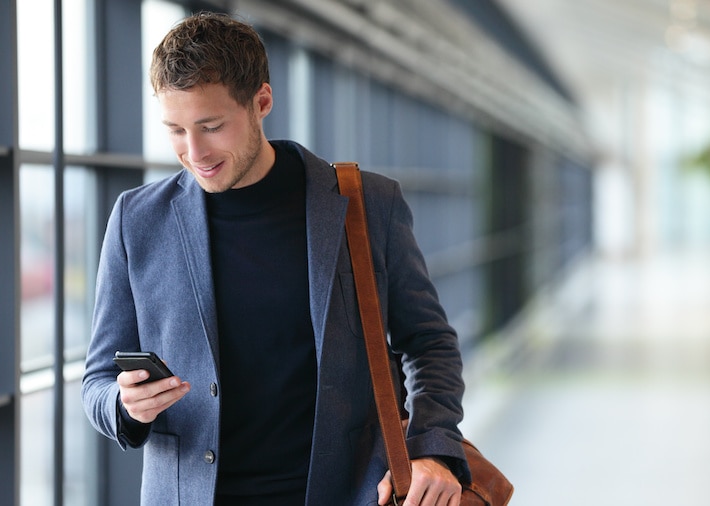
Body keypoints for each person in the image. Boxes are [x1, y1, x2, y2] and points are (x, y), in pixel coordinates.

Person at [81, 11, 469, 506]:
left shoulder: (366, 204)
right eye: (175, 130)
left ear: (262, 101)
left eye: (211, 126)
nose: (193, 151)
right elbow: (96, 382)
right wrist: (124, 404)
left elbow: (429, 342)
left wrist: (433, 447)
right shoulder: (137, 220)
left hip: (347, 493)